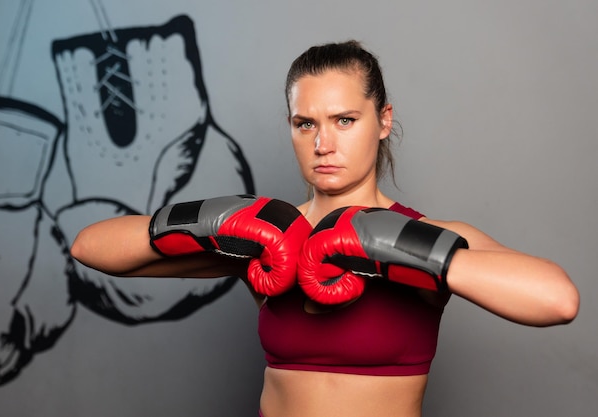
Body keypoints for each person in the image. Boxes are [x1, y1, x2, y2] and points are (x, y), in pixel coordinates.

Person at [70, 40, 580, 417]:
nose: (322, 144)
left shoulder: (425, 233)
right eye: (305, 123)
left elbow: (557, 299)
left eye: (344, 120)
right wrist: (210, 218)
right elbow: (89, 246)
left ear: (383, 121)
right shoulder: (264, 242)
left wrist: (397, 247)